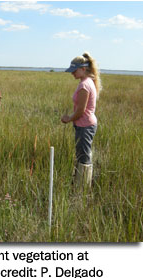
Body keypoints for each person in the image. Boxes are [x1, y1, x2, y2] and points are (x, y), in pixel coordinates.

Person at [61, 52, 101, 188]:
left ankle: (82, 188)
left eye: (74, 70)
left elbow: (80, 111)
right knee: (83, 154)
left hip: (85, 125)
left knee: (84, 157)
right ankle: (81, 184)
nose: (72, 73)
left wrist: (68, 119)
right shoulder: (87, 82)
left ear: (83, 69)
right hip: (84, 125)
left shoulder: (85, 85)